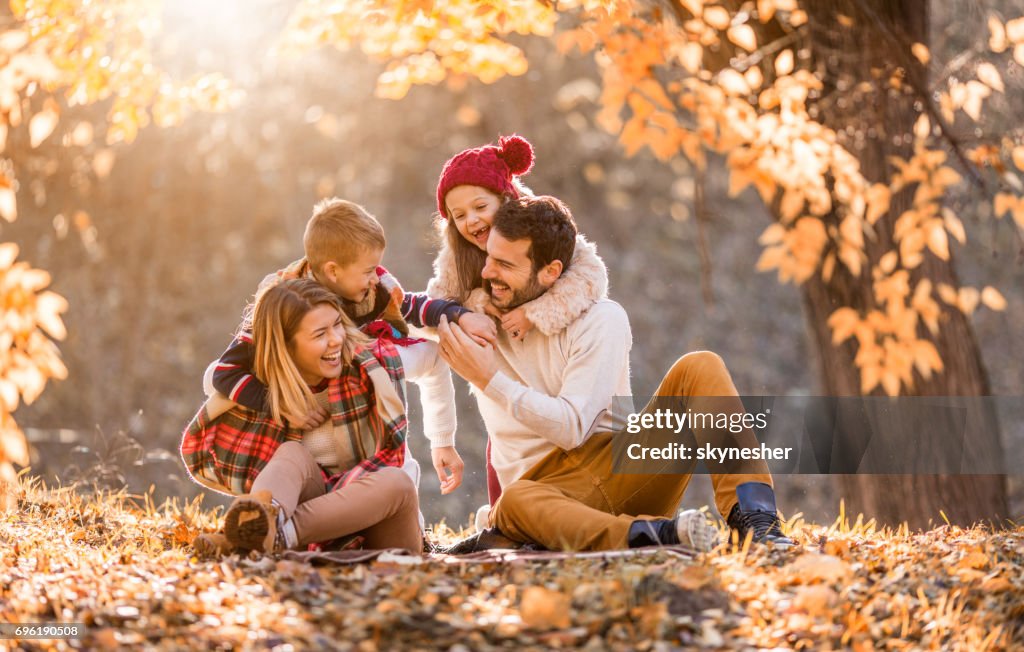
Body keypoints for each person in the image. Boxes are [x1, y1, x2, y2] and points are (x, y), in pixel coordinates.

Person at [437, 195, 796, 552]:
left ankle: (757, 523)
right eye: (489, 258)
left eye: (503, 264)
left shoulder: (600, 320)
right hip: (544, 497)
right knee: (515, 501)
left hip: (621, 470)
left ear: (551, 272)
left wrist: (489, 380)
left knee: (701, 366)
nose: (487, 273)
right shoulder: (478, 319)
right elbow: (409, 320)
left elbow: (572, 428)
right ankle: (656, 535)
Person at [208, 198, 497, 495]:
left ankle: (396, 498)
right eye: (369, 270)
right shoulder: (284, 303)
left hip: (357, 388)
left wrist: (460, 316)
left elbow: (409, 305)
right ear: (333, 271)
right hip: (301, 413)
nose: (376, 278)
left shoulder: (375, 289)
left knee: (392, 371)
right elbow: (223, 372)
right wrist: (280, 406)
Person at [427, 134, 609, 510]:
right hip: (507, 385)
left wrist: (534, 313)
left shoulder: (541, 230)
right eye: (458, 215)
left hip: (555, 363)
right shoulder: (457, 256)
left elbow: (591, 278)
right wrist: (472, 307)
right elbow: (436, 305)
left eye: (480, 206)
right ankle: (504, 515)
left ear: (506, 198)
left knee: (564, 430)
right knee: (507, 451)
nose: (471, 220)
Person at [182, 279, 422, 554]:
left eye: (337, 324)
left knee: (397, 482)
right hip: (314, 526)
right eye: (320, 334)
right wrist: (278, 404)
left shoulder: (370, 365)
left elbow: (434, 356)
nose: (336, 339)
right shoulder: (263, 392)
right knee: (292, 452)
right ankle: (261, 523)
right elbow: (217, 373)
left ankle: (265, 538)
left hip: (381, 530)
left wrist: (444, 439)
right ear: (286, 345)